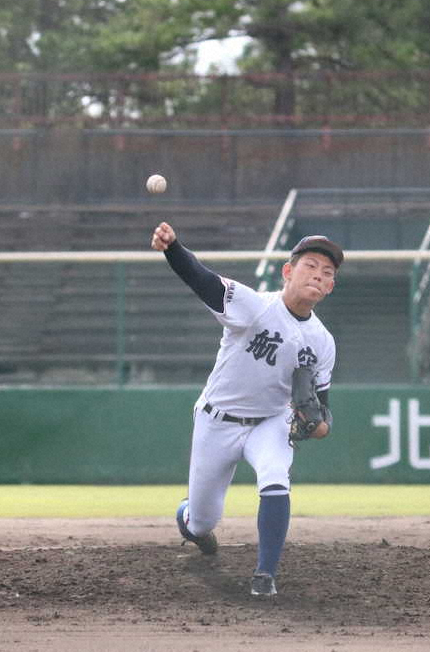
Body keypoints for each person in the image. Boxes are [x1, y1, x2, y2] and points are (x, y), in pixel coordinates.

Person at [150, 221, 341, 597]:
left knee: (275, 477)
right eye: (310, 266)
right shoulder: (255, 306)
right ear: (288, 272)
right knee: (202, 522)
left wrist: (317, 426)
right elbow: (202, 280)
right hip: (217, 419)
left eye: (327, 273)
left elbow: (324, 413)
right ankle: (190, 521)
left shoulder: (322, 342)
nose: (318, 276)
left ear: (331, 287)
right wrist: (173, 248)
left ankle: (264, 575)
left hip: (270, 421)